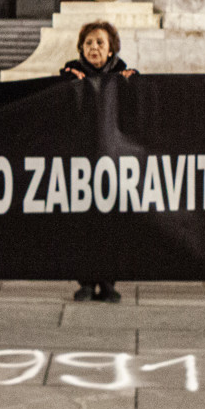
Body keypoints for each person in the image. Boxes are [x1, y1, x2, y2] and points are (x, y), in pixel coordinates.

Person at [63, 20, 137, 303]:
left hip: (112, 160)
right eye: (89, 42)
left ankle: (108, 283)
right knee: (83, 222)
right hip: (80, 161)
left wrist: (133, 82)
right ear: (81, 48)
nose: (94, 47)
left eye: (100, 43)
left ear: (111, 50)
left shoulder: (124, 74)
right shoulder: (70, 73)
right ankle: (85, 282)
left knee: (111, 222)